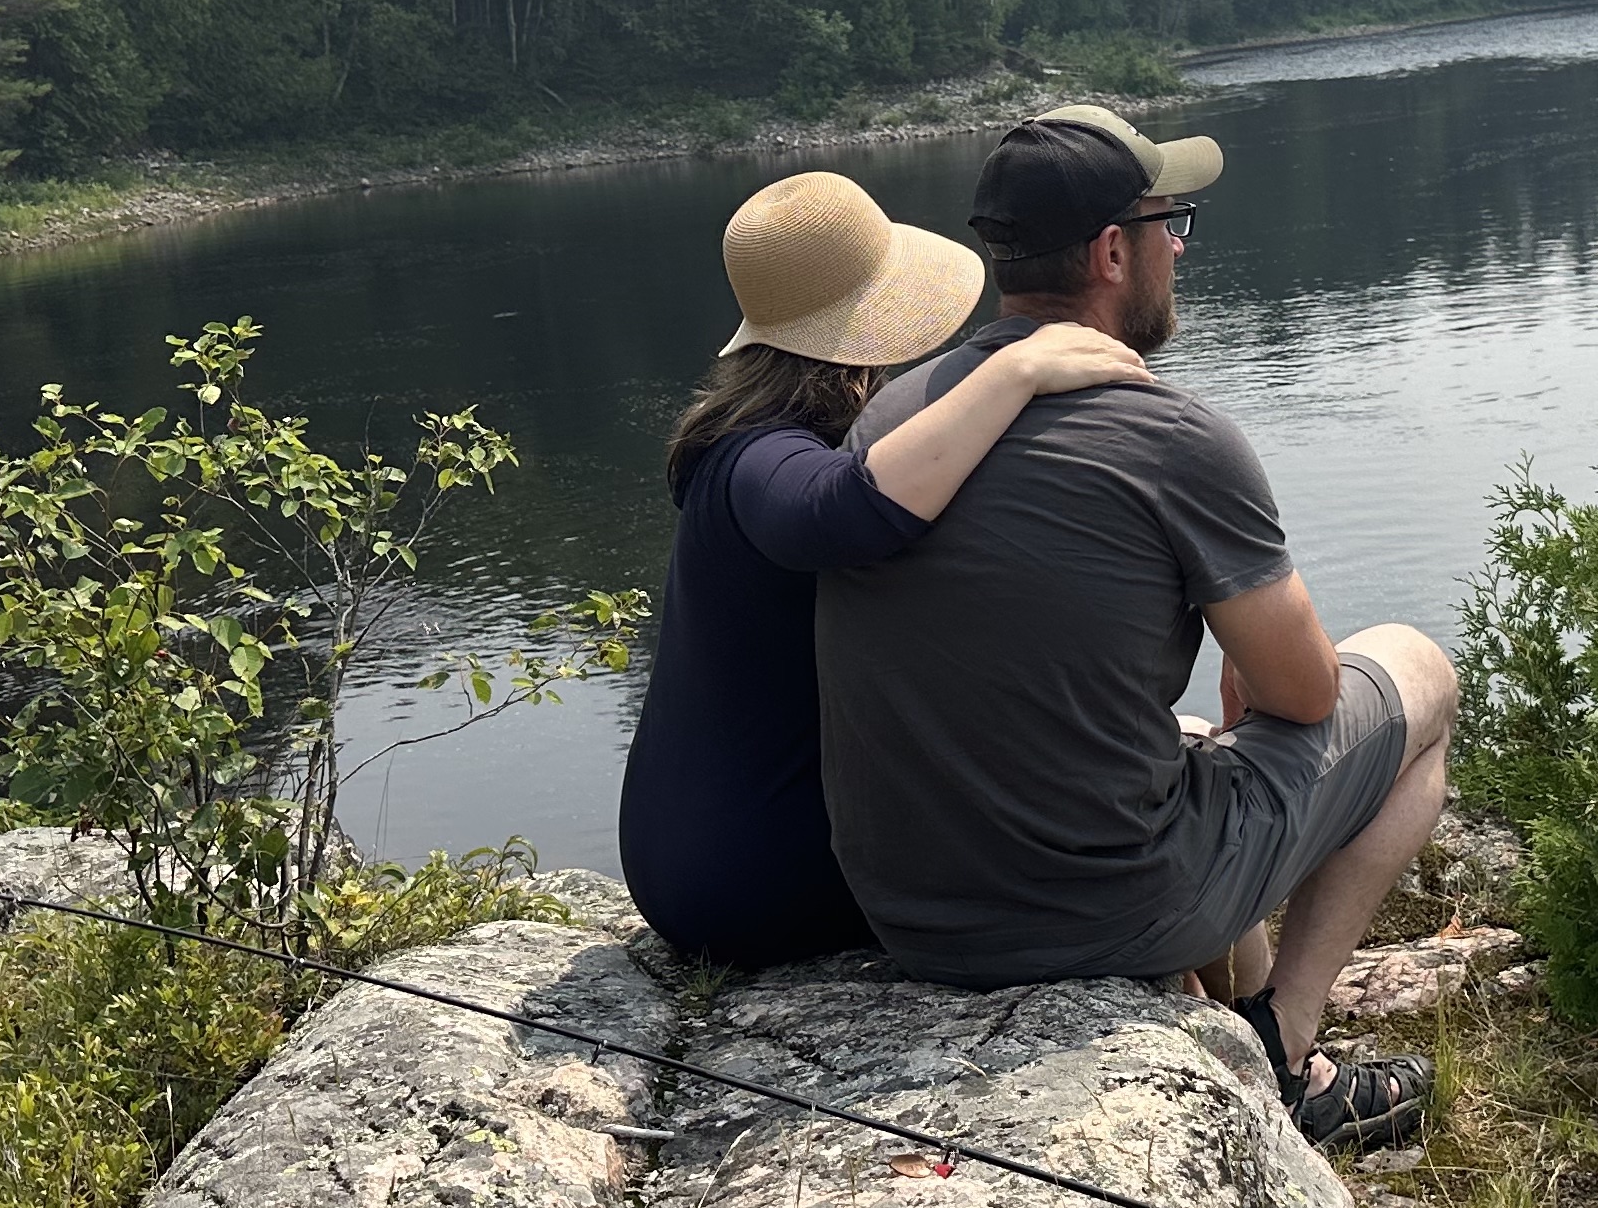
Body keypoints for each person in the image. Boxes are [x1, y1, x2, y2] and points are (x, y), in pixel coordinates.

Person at [817, 106, 1452, 1150]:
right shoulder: (1172, 437)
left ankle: (1230, 1011)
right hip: (1096, 913)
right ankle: (1288, 1057)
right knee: (1419, 675)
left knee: (1188, 747)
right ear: (1116, 250)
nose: (1180, 251)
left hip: (910, 910)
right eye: (1175, 224)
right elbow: (1303, 699)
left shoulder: (895, 423)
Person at [617, 169, 1149, 969]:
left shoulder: (741, 441)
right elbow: (840, 513)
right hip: (757, 884)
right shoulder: (755, 457)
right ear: (863, 339)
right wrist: (1018, 372)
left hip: (687, 862)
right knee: (1120, 817)